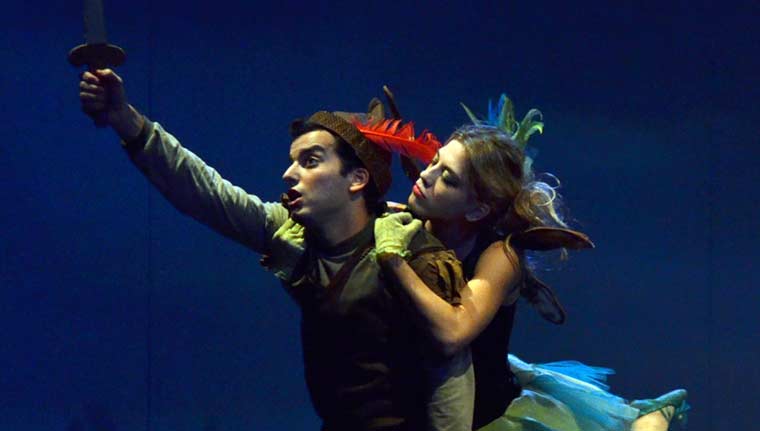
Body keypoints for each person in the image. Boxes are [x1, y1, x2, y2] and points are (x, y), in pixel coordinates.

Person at [77, 68, 473, 431]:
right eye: (293, 161)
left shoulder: (406, 252)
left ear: (356, 179)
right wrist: (124, 119)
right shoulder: (293, 234)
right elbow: (204, 193)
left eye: (310, 161)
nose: (289, 174)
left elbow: (450, 375)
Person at [374, 95, 689, 431]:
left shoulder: (500, 256)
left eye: (448, 178)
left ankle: (650, 415)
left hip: (491, 414)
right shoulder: (408, 225)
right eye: (434, 162)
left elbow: (453, 333)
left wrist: (394, 260)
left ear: (478, 209)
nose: (426, 175)